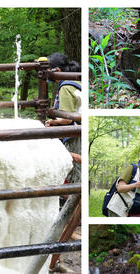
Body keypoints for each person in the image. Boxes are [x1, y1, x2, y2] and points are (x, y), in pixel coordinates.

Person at [44, 52, 81, 183]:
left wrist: (52, 121)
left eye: (47, 71)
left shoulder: (66, 86)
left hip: (74, 134)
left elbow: (67, 118)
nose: (46, 75)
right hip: (78, 130)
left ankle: (76, 202)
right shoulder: (75, 80)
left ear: (57, 70)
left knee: (74, 173)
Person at [108, 147, 140, 217]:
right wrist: (135, 185)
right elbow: (120, 188)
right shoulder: (132, 169)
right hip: (118, 210)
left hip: (135, 212)